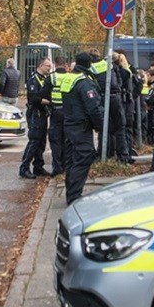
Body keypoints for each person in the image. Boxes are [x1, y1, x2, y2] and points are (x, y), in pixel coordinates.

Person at [62, 53, 104, 205]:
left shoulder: (69, 78)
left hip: (69, 125)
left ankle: (70, 193)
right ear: (88, 64)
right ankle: (74, 197)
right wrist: (100, 126)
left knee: (72, 161)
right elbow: (93, 108)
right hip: (80, 126)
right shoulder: (83, 82)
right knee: (83, 158)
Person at [19, 57, 52, 178]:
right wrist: (49, 102)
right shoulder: (33, 80)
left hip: (42, 113)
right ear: (41, 66)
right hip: (35, 113)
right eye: (48, 66)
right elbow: (33, 99)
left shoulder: (44, 79)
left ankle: (38, 167)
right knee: (34, 141)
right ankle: (24, 168)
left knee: (41, 141)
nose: (50, 68)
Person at [40, 55, 70, 176]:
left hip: (56, 112)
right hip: (68, 112)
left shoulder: (51, 78)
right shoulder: (70, 77)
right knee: (66, 140)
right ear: (65, 64)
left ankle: (57, 168)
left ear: (55, 64)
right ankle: (66, 166)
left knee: (55, 140)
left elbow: (43, 94)